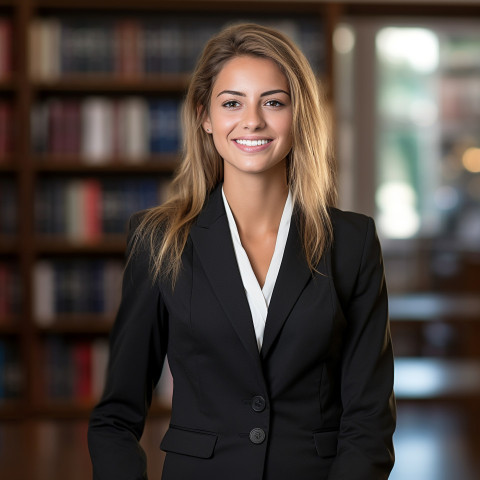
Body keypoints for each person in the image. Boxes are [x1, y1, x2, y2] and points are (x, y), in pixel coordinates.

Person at [88, 22, 396, 480]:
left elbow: (369, 420)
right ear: (205, 116)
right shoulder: (158, 239)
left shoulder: (351, 243)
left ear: (299, 116)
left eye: (273, 102)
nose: (252, 120)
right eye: (232, 103)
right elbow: (116, 417)